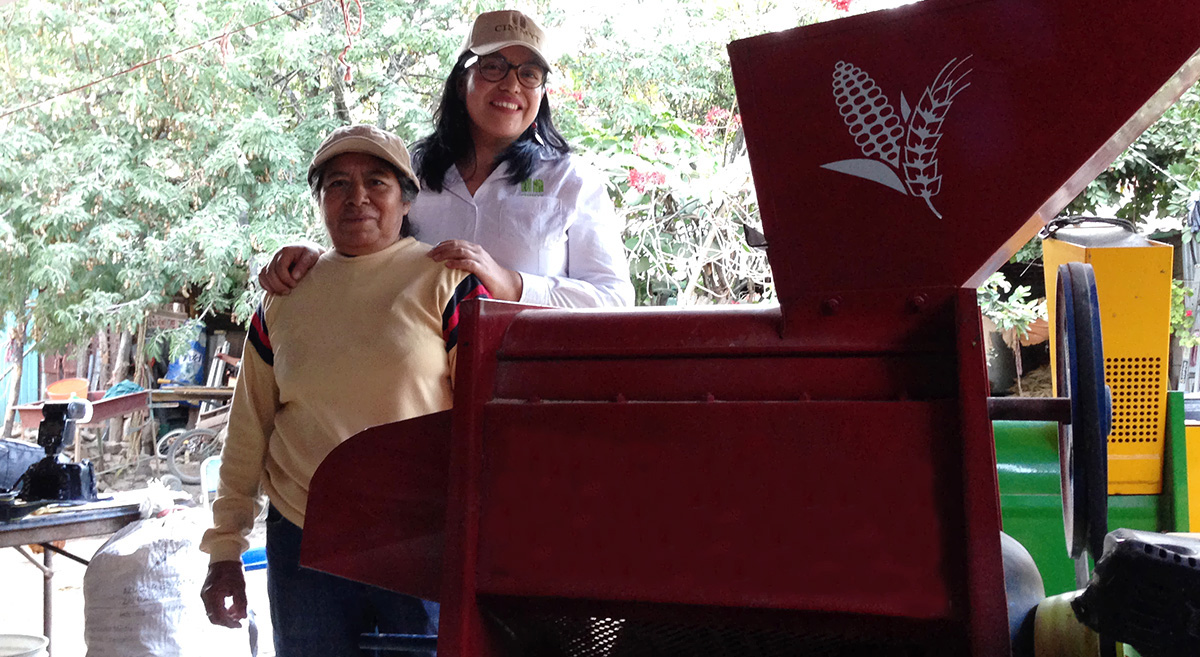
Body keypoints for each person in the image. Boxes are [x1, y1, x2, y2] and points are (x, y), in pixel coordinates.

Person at [199, 124, 489, 656]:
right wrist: (224, 551)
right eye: (337, 184)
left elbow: (485, 422)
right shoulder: (284, 296)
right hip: (303, 541)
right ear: (320, 202)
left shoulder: (446, 281)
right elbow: (248, 431)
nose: (356, 198)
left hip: (418, 539)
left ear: (406, 199)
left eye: (376, 182)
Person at [258, 9, 634, 309]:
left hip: (527, 388)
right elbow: (369, 258)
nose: (511, 84)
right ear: (461, 81)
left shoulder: (571, 182)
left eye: (529, 73)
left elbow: (614, 300)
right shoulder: (409, 174)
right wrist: (315, 261)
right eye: (493, 66)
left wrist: (513, 284)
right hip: (418, 389)